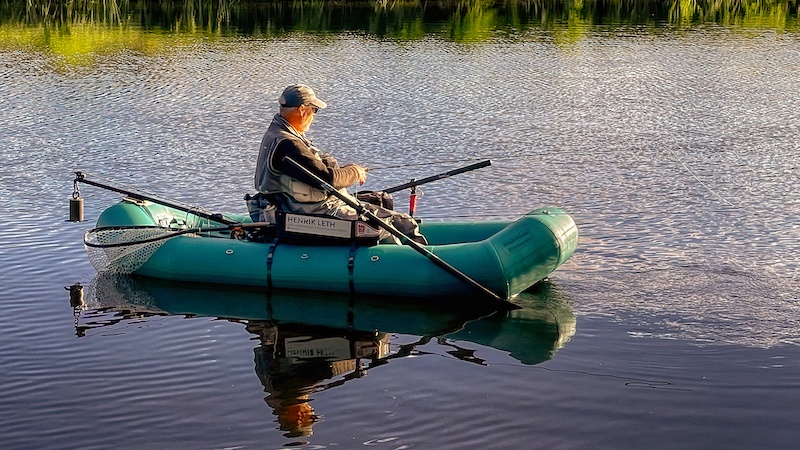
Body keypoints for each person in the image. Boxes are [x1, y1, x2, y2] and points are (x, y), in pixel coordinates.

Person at [254, 84, 427, 245]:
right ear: (301, 110)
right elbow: (329, 180)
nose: (314, 115)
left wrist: (343, 168)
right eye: (314, 110)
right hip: (307, 214)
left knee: (384, 207)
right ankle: (411, 266)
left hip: (295, 207)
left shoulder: (277, 133)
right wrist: (354, 172)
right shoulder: (288, 144)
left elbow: (317, 169)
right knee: (401, 224)